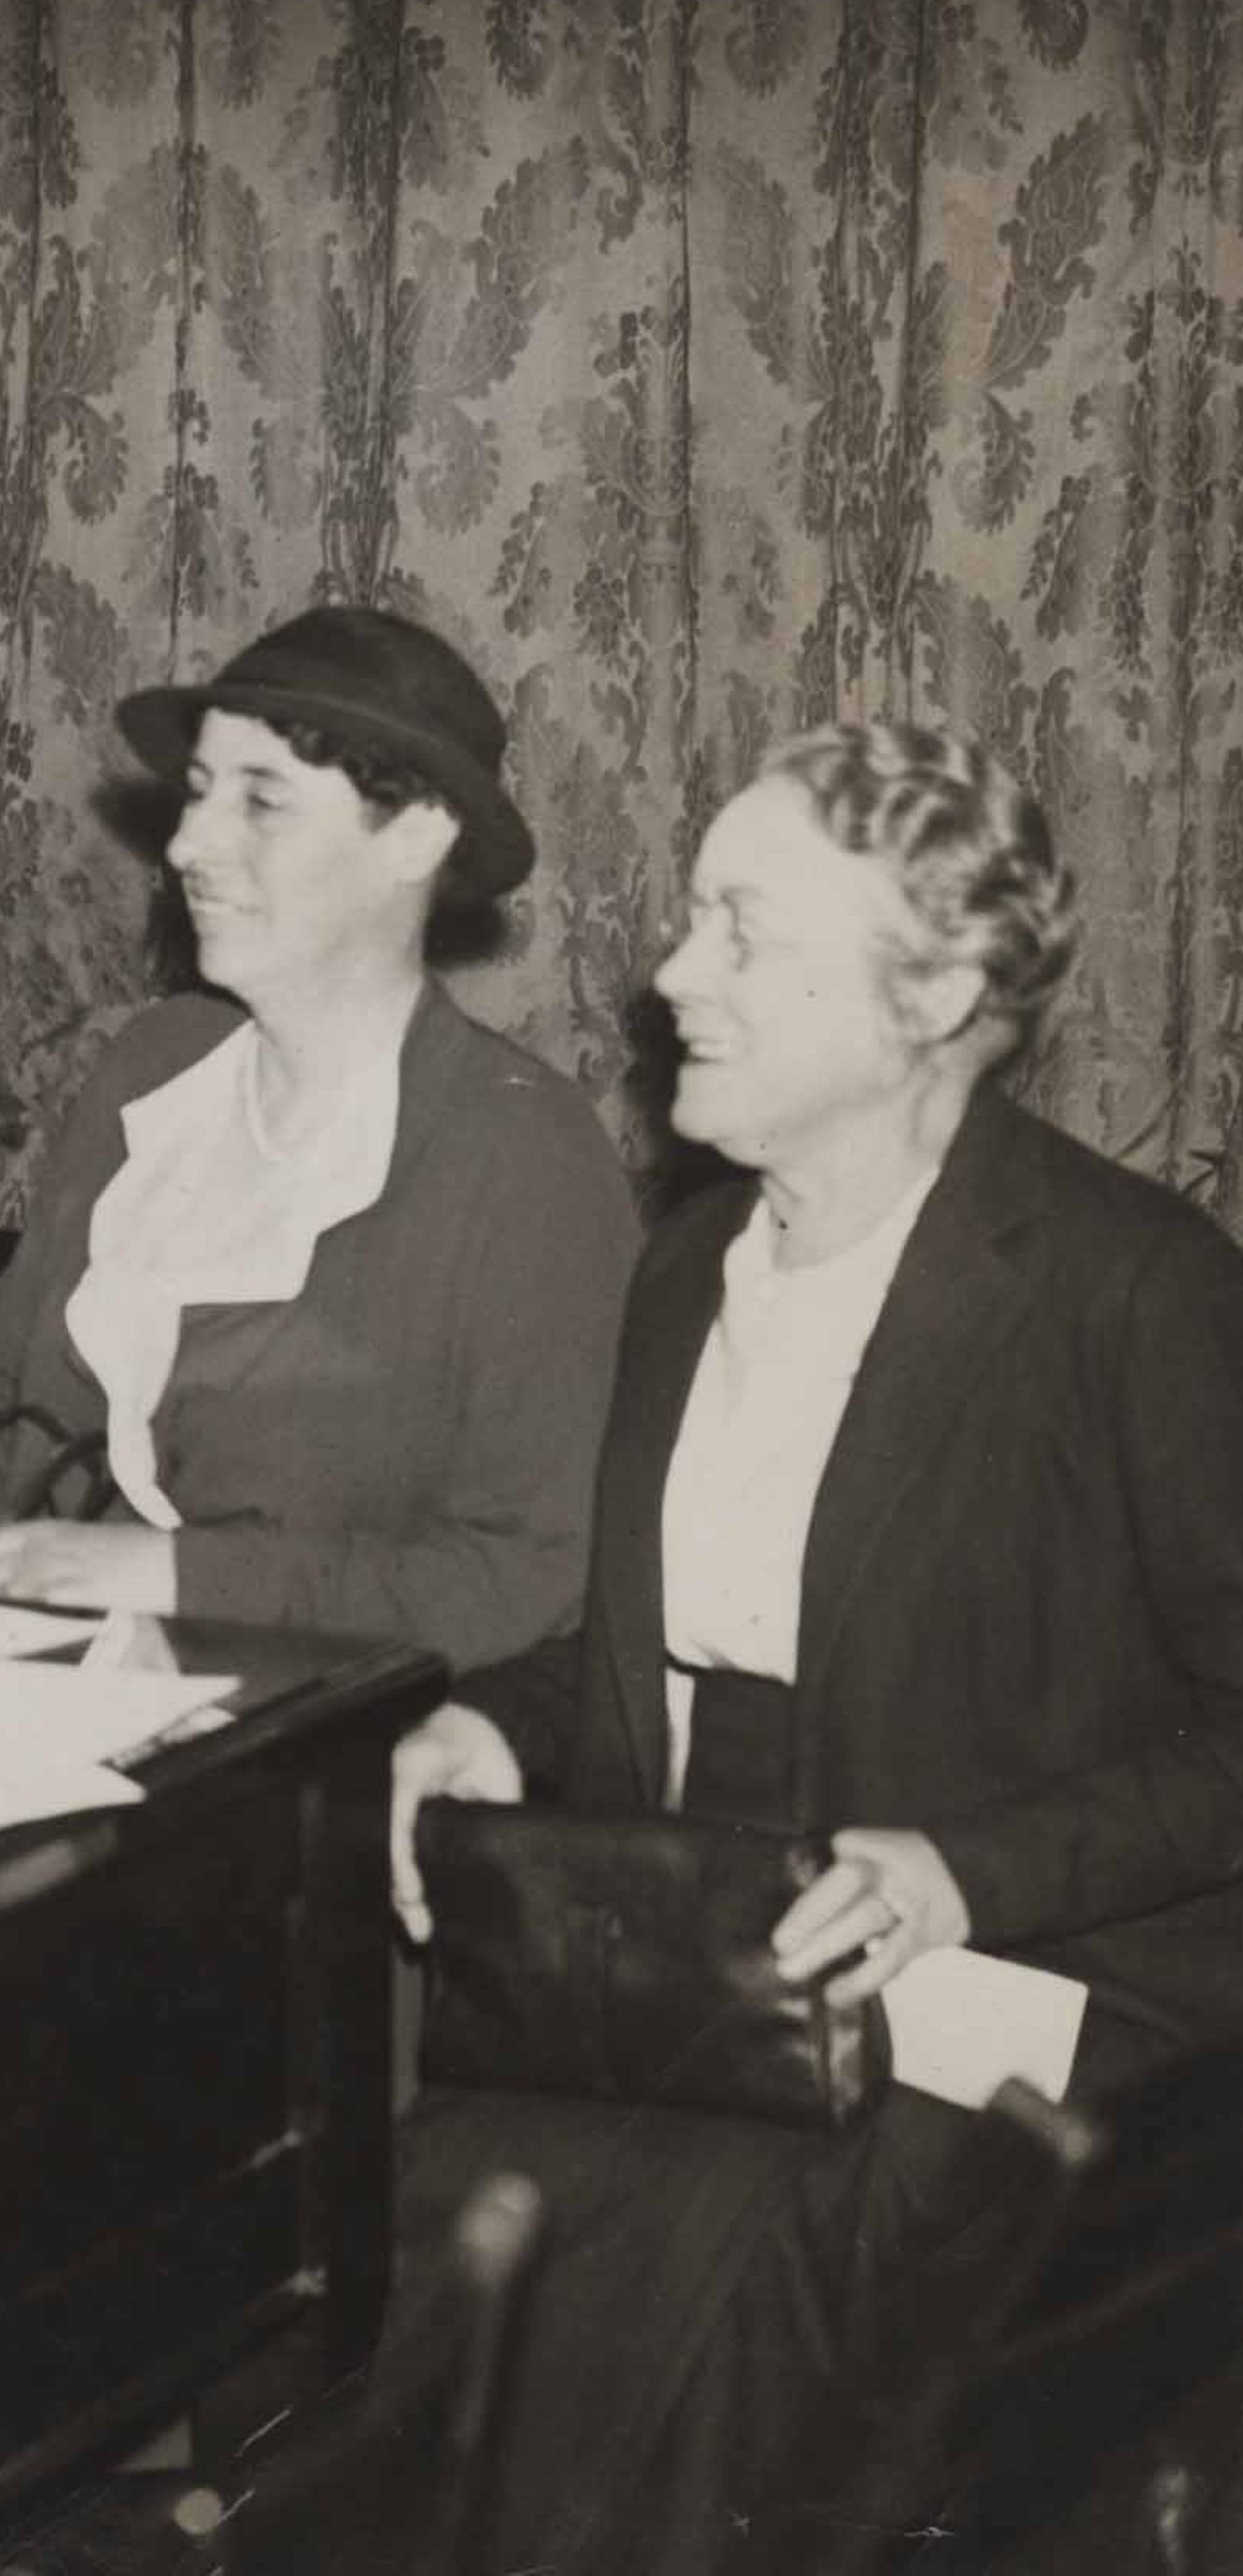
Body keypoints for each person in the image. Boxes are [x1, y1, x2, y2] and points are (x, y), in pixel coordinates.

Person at [368, 724, 1243, 2572]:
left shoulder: (1134, 1294)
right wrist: (494, 1738)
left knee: (707, 2245)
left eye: (746, 931)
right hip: (729, 1961)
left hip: (1043, 1990)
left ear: (934, 994)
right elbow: (643, 1645)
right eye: (695, 916)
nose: (672, 974)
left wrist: (964, 1872)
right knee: (458, 2189)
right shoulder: (690, 1267)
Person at [0, 607, 635, 1663]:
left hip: (311, 1760)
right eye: (197, 794)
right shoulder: (151, 1066)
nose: (189, 845)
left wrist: (175, 1578)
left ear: (416, 837)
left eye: (262, 801)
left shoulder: (525, 1156)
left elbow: (531, 1574)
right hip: (25, 1695)